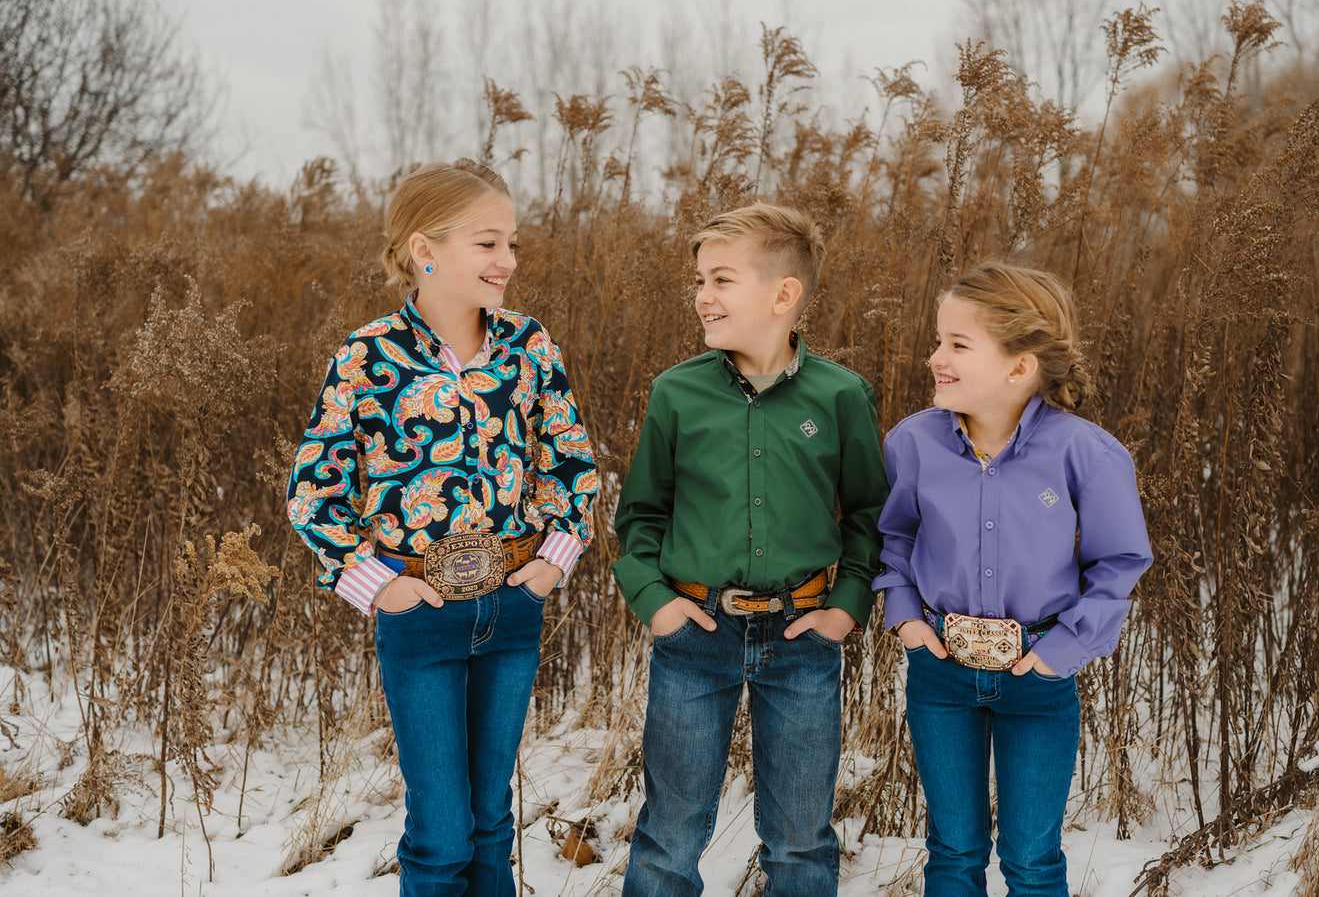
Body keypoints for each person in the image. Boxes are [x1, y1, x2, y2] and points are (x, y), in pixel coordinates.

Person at [286, 159, 598, 897]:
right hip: (419, 616)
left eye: (512, 244)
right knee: (441, 830)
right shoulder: (366, 356)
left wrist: (553, 561)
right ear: (426, 248)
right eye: (488, 244)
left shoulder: (529, 345)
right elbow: (313, 489)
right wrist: (375, 586)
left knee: (491, 818)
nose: (508, 261)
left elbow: (572, 464)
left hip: (513, 608)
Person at [611, 202, 887, 897]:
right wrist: (655, 601)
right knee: (669, 833)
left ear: (783, 294)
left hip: (802, 638)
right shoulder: (676, 393)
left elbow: (867, 513)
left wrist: (846, 606)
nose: (702, 296)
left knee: (799, 839)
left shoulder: (840, 395)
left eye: (722, 280)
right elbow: (640, 513)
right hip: (694, 634)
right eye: (699, 280)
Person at [874, 262, 1152, 896]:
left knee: (1031, 858)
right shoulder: (913, 444)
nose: (934, 357)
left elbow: (1119, 563)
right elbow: (895, 538)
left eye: (957, 345)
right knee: (952, 850)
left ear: (1020, 367)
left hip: (1038, 678)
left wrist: (1064, 651)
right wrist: (908, 617)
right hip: (941, 673)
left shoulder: (1088, 453)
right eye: (938, 340)